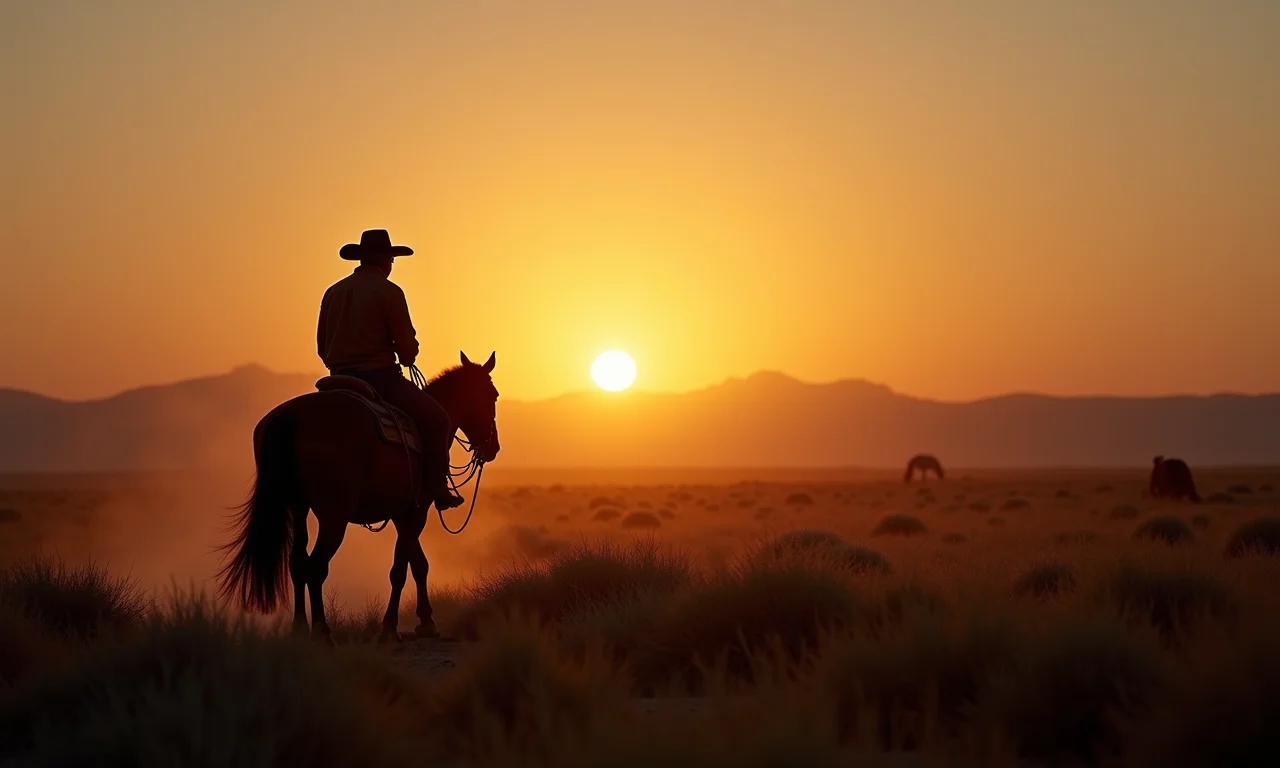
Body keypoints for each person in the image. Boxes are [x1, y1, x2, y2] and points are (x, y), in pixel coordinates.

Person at [316, 228, 464, 511]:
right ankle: (438, 489)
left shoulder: (333, 292)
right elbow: (408, 352)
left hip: (336, 378)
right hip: (379, 379)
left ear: (360, 260)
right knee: (438, 421)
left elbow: (322, 347)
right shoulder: (390, 292)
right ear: (387, 261)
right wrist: (405, 352)